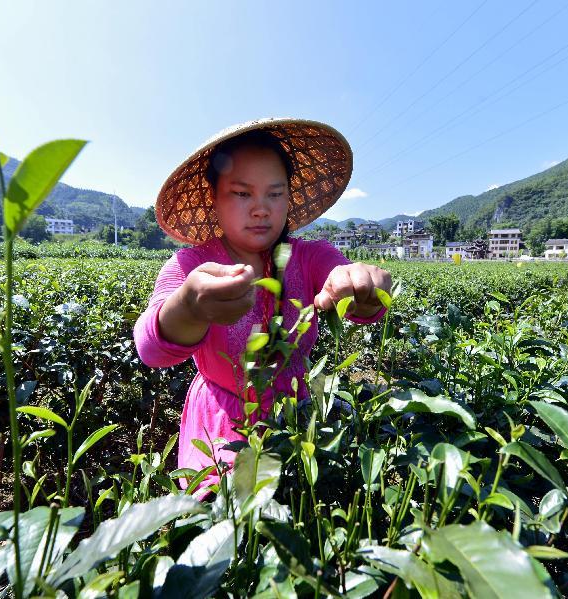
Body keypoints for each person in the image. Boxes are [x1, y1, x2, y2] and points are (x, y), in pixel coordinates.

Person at [133, 118, 391, 495]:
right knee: (224, 531)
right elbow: (152, 347)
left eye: (275, 193)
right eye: (241, 194)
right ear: (214, 198)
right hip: (221, 429)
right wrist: (189, 306)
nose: (261, 209)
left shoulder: (309, 257)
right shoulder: (189, 267)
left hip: (297, 419)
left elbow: (345, 282)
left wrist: (359, 286)